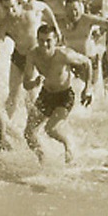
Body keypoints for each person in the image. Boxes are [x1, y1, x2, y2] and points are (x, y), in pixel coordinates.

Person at [0, 0, 60, 117]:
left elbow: (46, 8)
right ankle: (6, 125)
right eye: (6, 8)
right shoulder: (5, 23)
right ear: (1, 7)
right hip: (18, 57)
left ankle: (33, 128)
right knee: (13, 94)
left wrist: (56, 28)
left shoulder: (31, 8)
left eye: (12, 7)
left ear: (18, 3)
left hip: (36, 56)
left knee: (31, 96)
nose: (10, 11)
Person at [22, 25, 91, 163]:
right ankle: (42, 158)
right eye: (41, 41)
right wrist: (34, 83)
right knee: (28, 133)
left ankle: (69, 145)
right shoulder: (33, 55)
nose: (44, 45)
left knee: (50, 129)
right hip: (46, 95)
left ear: (56, 41)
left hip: (64, 96)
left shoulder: (64, 55)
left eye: (48, 41)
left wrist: (87, 89)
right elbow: (25, 84)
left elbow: (87, 62)